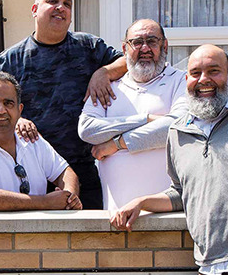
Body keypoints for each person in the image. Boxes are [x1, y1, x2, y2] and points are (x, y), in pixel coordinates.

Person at [111, 44, 228, 275]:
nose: (203, 80)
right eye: (195, 73)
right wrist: (142, 201)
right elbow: (182, 192)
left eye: (214, 71)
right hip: (211, 272)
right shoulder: (180, 133)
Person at [0, 0, 125, 209]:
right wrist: (17, 120)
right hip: (31, 170)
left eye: (67, 4)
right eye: (53, 1)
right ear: (35, 9)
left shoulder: (89, 47)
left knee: (92, 239)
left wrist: (103, 72)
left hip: (84, 166)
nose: (60, 8)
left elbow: (127, 61)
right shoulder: (11, 60)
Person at [79, 19, 187, 210]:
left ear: (165, 46)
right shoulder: (108, 87)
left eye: (152, 41)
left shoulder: (181, 81)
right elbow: (87, 130)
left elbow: (176, 127)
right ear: (125, 48)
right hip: (114, 216)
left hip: (166, 217)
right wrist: (146, 119)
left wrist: (116, 144)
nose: (144, 48)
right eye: (137, 42)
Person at [0, 72, 82, 211]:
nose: (1, 110)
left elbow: (64, 172)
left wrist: (69, 198)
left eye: (8, 103)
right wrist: (46, 202)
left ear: (19, 109)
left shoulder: (30, 137)